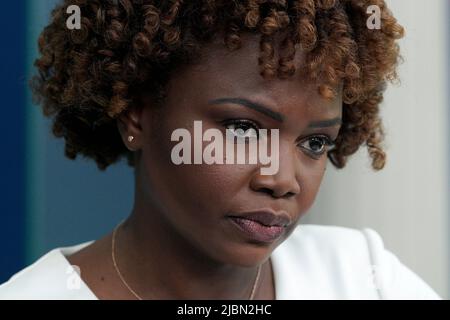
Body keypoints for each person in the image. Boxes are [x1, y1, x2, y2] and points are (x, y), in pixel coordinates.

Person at [0, 0, 441, 299]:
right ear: (136, 115)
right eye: (244, 129)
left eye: (315, 142)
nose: (282, 179)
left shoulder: (362, 278)